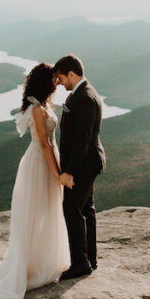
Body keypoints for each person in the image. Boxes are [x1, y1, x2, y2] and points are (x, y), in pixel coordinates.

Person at [0, 63, 71, 299]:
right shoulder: (37, 108)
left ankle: (44, 260)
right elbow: (45, 144)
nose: (58, 83)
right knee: (37, 211)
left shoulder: (45, 104)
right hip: (39, 164)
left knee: (49, 208)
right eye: (54, 79)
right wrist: (58, 173)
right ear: (45, 82)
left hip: (48, 160)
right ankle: (29, 265)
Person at [53, 54, 105, 280]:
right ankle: (89, 259)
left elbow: (82, 139)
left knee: (71, 210)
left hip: (83, 164)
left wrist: (69, 171)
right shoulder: (84, 92)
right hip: (88, 162)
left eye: (61, 78)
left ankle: (80, 264)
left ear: (72, 74)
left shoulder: (84, 97)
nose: (60, 83)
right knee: (86, 210)